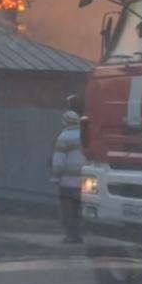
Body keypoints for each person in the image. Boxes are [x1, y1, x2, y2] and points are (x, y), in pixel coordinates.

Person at [51, 97, 84, 244]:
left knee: (67, 210)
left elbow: (58, 162)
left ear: (65, 122)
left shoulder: (63, 137)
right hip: (83, 181)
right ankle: (79, 234)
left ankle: (71, 236)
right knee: (78, 210)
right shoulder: (85, 136)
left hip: (67, 182)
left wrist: (55, 178)